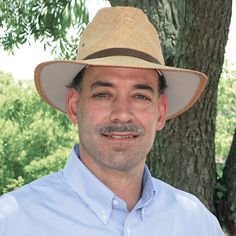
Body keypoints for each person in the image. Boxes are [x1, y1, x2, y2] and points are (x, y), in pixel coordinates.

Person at [0, 6, 224, 236]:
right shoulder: (12, 223)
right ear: (74, 106)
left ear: (160, 111)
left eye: (140, 96)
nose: (122, 113)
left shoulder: (198, 224)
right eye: (103, 94)